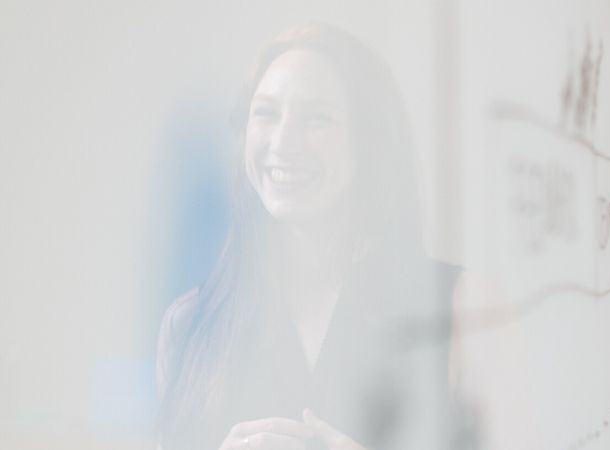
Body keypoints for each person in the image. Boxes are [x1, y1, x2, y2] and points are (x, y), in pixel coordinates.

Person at [156, 24, 461, 450]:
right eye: (265, 113)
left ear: (371, 143)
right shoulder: (188, 326)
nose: (283, 142)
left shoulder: (460, 310)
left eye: (316, 118)